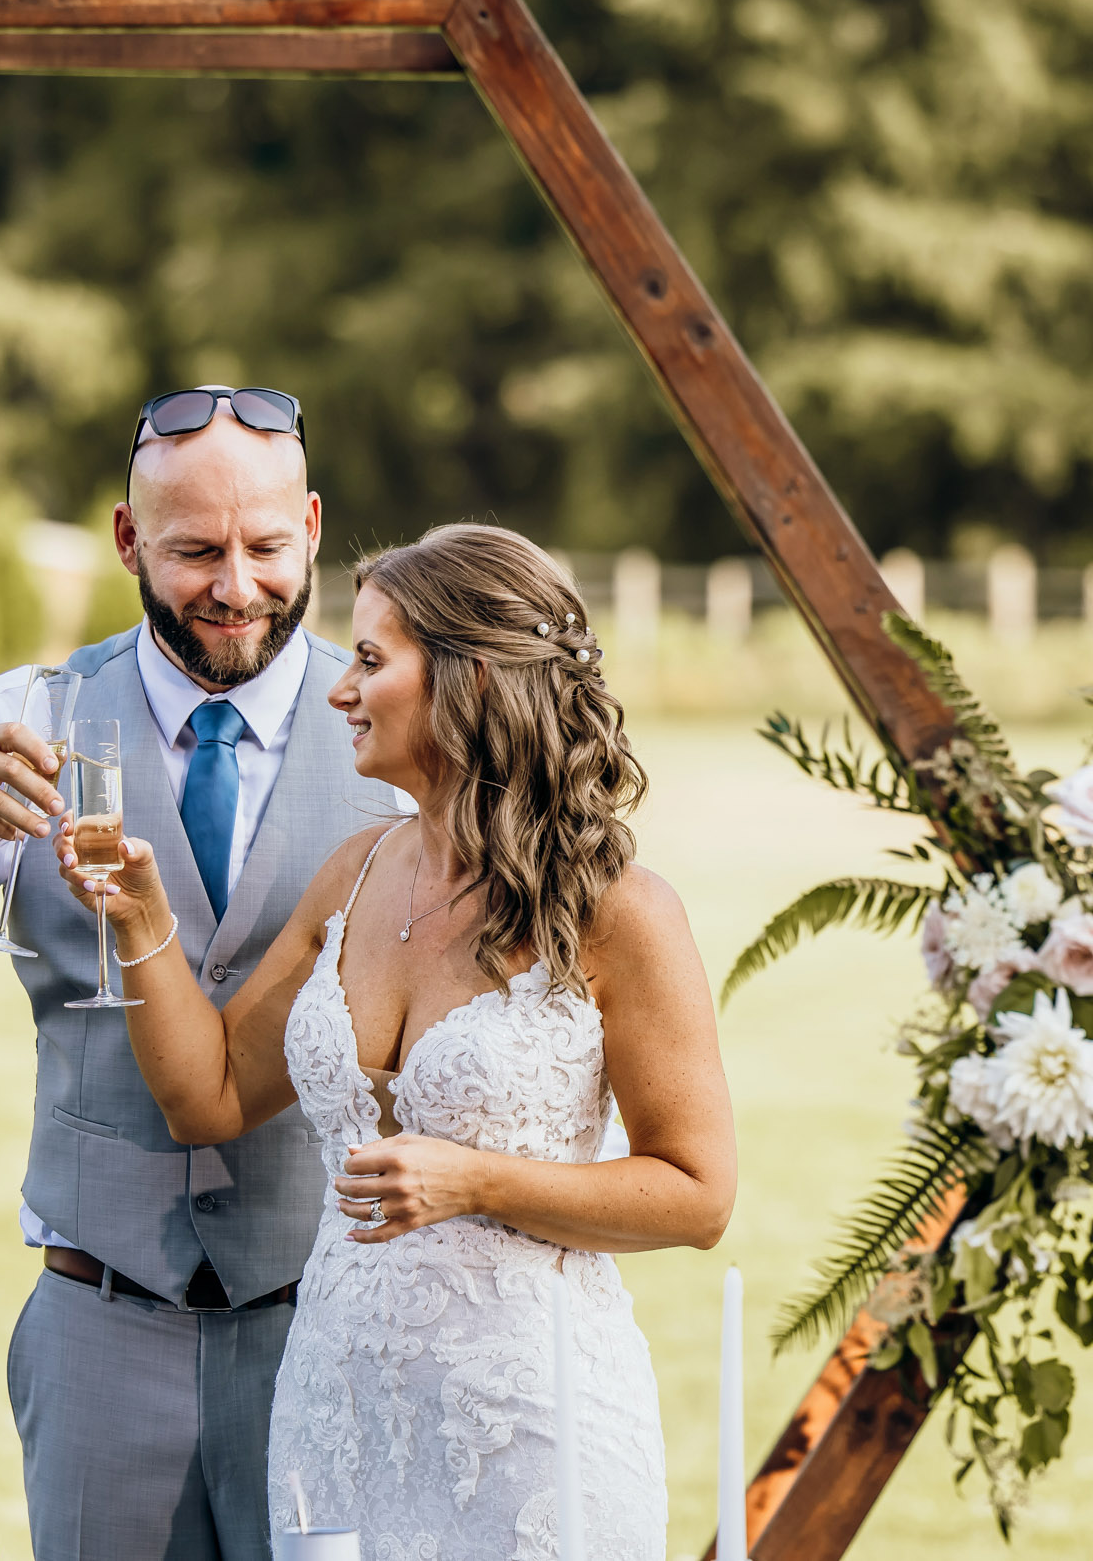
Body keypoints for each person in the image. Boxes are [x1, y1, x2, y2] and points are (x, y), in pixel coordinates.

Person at [0, 386, 405, 1561]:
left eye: (264, 548)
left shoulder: (394, 730)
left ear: (311, 528)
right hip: (99, 1330)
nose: (235, 586)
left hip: (337, 1336)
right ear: (126, 541)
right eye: (195, 550)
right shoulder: (25, 719)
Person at [58, 523, 735, 1561]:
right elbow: (209, 1100)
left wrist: (474, 1178)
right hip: (335, 1415)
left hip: (529, 1426)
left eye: (371, 660)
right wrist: (142, 918)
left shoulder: (618, 910)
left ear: (468, 680)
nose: (338, 688)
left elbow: (697, 1194)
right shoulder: (356, 872)